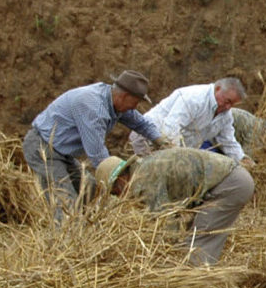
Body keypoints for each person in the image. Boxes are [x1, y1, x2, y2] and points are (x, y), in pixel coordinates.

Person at [22, 70, 165, 221]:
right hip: (42, 148)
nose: (135, 107)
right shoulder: (93, 107)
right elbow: (98, 156)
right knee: (64, 200)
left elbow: (141, 124)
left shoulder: (115, 102)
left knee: (89, 189)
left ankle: (87, 231)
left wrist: (162, 143)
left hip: (63, 153)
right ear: (124, 96)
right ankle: (68, 239)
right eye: (135, 102)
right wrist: (118, 182)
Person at [95, 147, 254, 265]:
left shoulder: (143, 181)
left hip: (230, 185)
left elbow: (165, 223)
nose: (119, 197)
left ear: (121, 180)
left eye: (115, 192)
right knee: (193, 238)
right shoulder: (144, 168)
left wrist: (162, 259)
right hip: (231, 179)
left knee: (199, 245)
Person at [130, 77, 255, 168]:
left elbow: (227, 141)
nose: (228, 107)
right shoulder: (194, 98)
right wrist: (180, 158)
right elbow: (170, 128)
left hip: (176, 148)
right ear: (217, 89)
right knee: (147, 179)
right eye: (227, 101)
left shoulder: (225, 115)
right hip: (148, 139)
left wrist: (242, 159)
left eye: (232, 104)